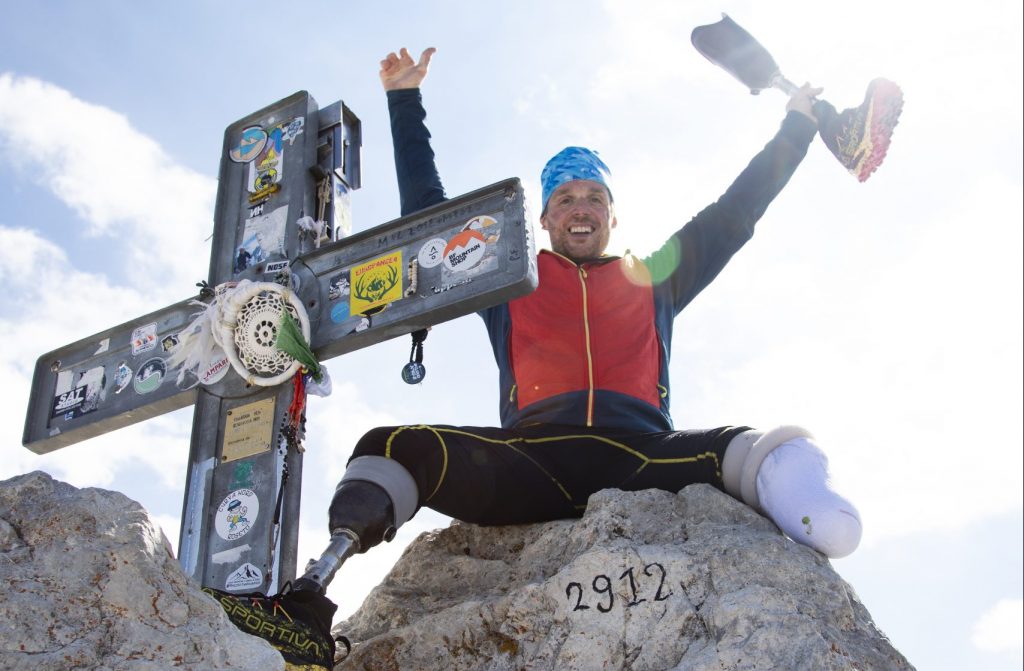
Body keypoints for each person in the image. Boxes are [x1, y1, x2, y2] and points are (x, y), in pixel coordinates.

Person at [214, 46, 901, 669]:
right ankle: (305, 606)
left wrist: (797, 125)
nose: (581, 208)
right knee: (390, 444)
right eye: (566, 198)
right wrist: (404, 99)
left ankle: (817, 517)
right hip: (531, 461)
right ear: (543, 216)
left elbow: (736, 211)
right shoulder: (510, 273)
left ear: (612, 213)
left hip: (643, 456)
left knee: (764, 445)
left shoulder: (654, 277)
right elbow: (432, 214)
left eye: (595, 197)